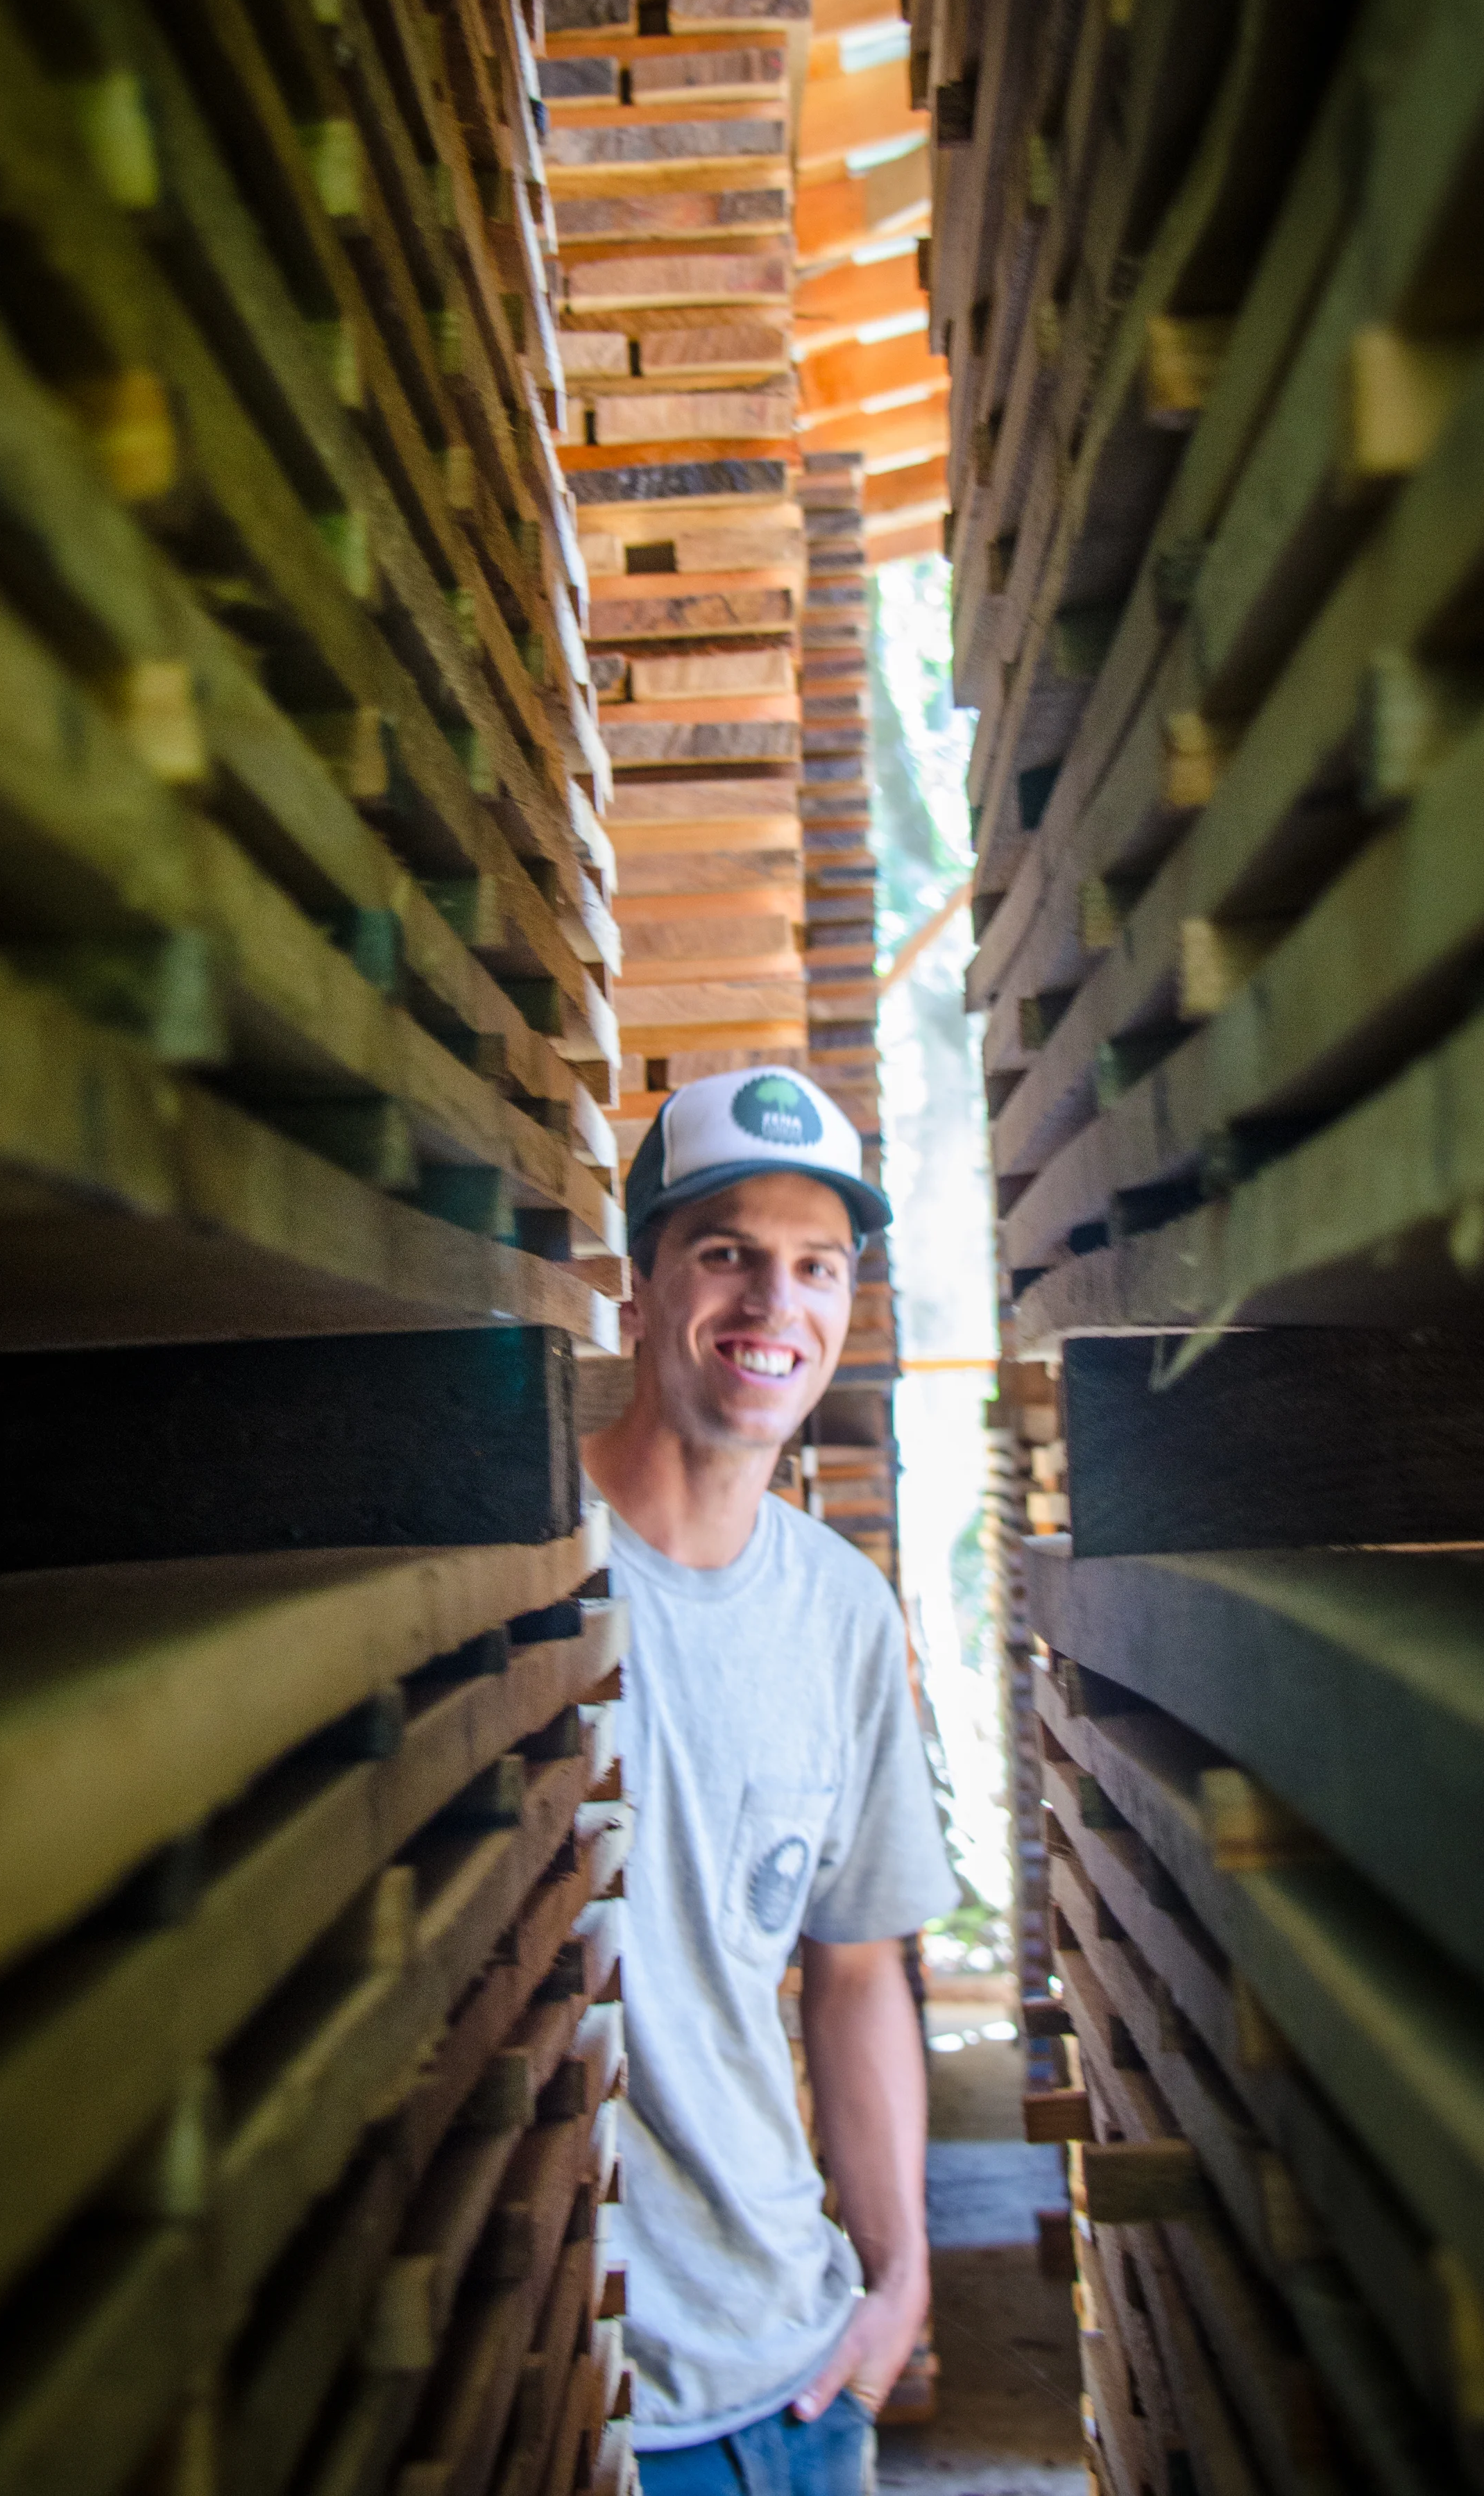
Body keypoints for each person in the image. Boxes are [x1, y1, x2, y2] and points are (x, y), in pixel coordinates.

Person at [581, 1067, 957, 2495]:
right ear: (640, 1286)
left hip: (794, 2395)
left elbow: (855, 1966)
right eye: (724, 1252)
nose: (770, 1307)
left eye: (814, 1267)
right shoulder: (513, 1575)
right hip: (579, 2402)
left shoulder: (843, 1613)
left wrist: (900, 2271)